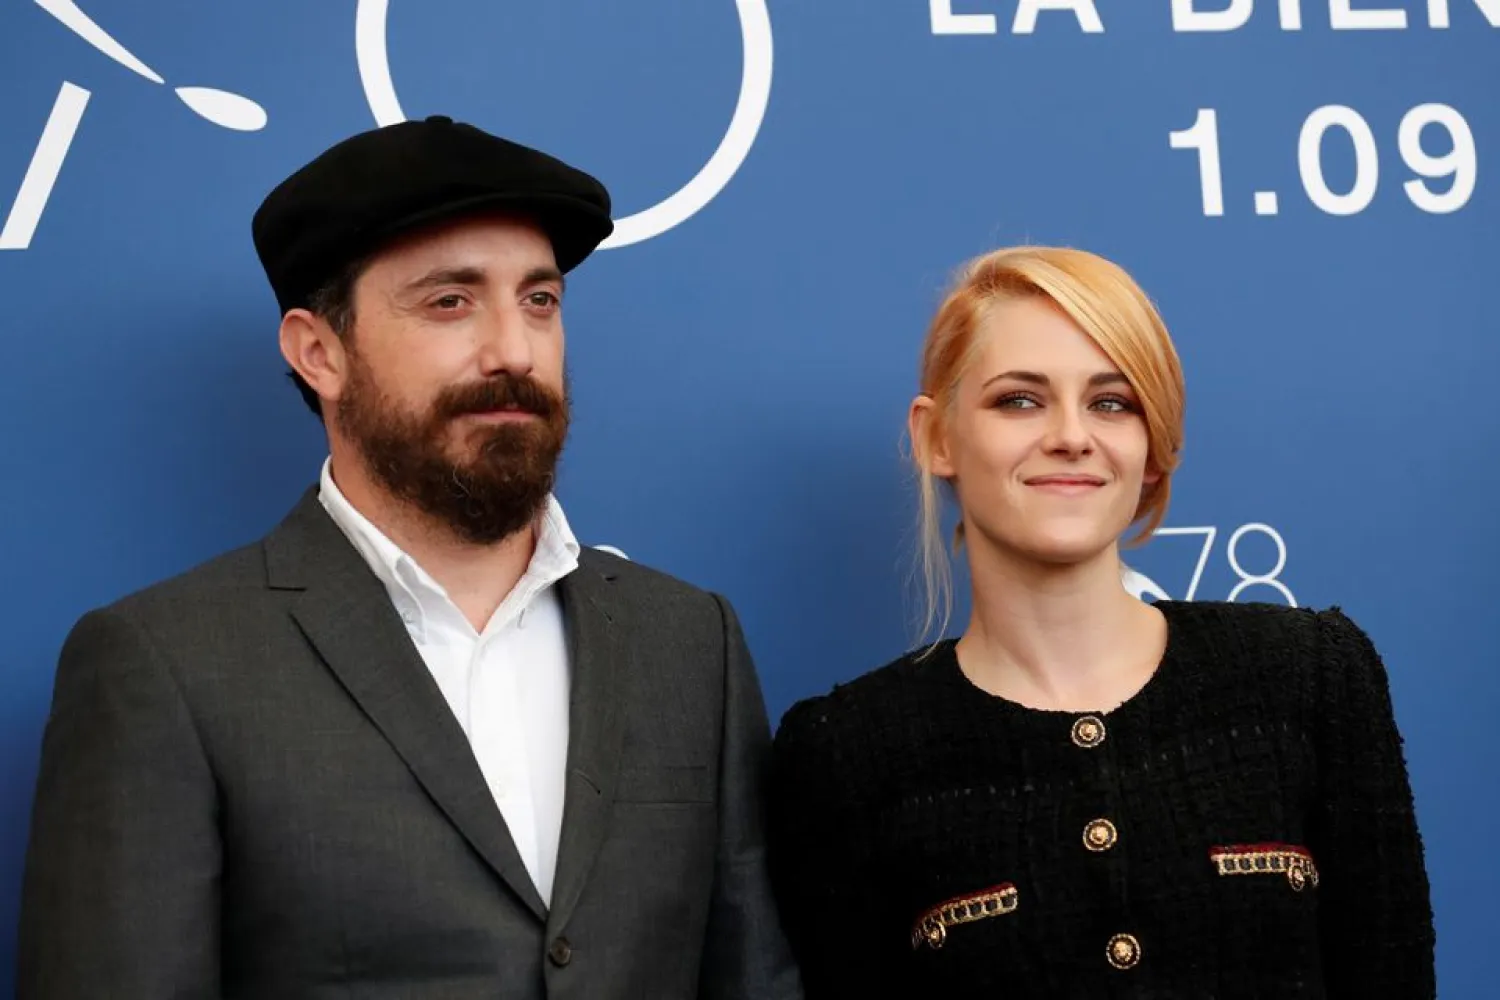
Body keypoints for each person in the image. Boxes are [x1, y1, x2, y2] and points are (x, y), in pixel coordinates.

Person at [17, 116, 802, 1000]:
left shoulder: (689, 641)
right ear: (320, 352)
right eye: (450, 302)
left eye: (539, 301)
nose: (514, 350)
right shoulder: (165, 665)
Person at [765, 245, 1435, 998]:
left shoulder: (1310, 676)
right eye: (1019, 399)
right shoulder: (844, 753)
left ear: (1154, 447)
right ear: (937, 438)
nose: (1071, 436)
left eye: (1112, 402)